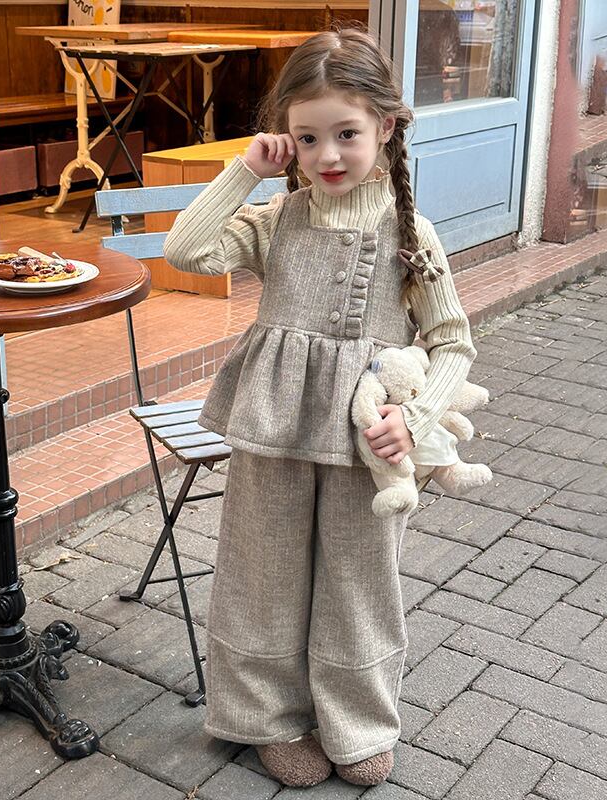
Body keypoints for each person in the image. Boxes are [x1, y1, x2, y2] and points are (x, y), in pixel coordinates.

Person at [163, 27, 476, 789]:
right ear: (287, 139)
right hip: (273, 429)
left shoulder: (412, 234)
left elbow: (453, 342)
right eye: (308, 138)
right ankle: (265, 719)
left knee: (361, 584)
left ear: (386, 126)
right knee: (261, 576)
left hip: (369, 442)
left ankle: (356, 723)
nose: (327, 155)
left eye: (346, 134)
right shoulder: (277, 221)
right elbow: (186, 252)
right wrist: (245, 170)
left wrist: (416, 420)